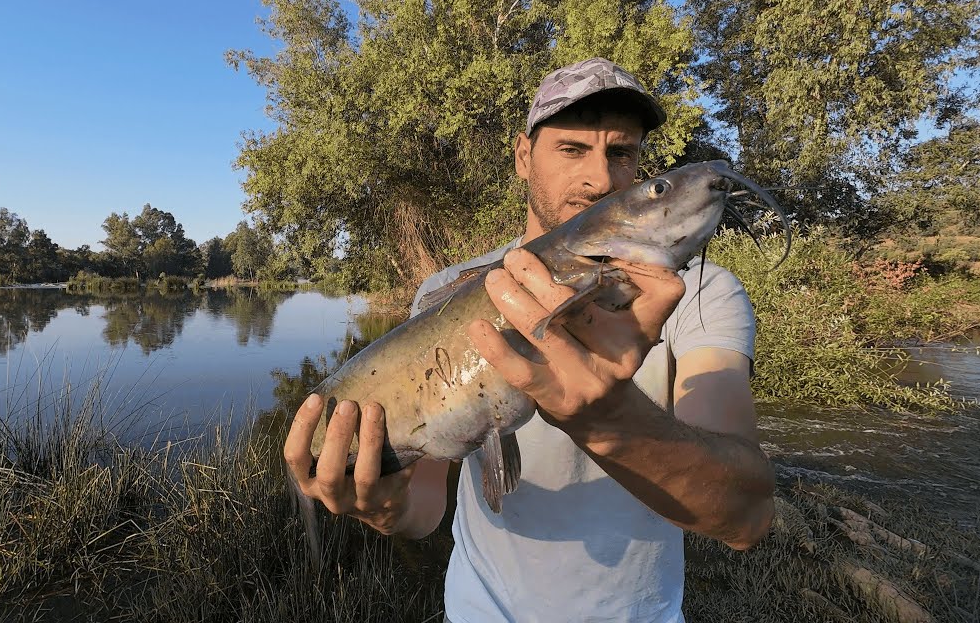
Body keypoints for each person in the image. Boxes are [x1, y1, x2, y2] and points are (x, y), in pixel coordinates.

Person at [282, 57, 775, 622]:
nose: (599, 177)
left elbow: (746, 515)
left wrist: (609, 418)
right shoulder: (445, 293)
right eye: (571, 149)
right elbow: (423, 506)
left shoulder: (704, 293)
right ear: (523, 156)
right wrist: (386, 508)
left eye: (622, 153)